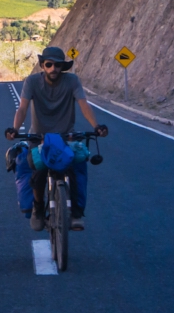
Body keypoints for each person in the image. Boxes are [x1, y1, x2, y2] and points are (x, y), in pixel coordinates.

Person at [7, 46, 108, 232]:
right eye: (49, 64)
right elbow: (22, 108)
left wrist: (96, 126)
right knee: (38, 169)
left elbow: (84, 105)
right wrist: (14, 129)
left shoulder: (72, 81)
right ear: (42, 65)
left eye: (58, 65)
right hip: (39, 138)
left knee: (77, 166)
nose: (54, 68)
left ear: (63, 66)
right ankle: (38, 208)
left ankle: (76, 214)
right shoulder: (32, 82)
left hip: (66, 136)